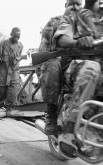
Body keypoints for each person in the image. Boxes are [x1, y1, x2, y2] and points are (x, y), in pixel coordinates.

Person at [53, 0, 103, 156]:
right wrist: (77, 41)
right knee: (93, 68)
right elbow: (62, 38)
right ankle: (69, 131)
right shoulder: (74, 15)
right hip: (77, 68)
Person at [38, 0, 82, 135]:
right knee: (53, 65)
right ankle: (51, 116)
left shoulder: (85, 25)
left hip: (73, 66)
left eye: (79, 4)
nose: (75, 7)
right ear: (65, 5)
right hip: (54, 64)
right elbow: (43, 51)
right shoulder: (54, 23)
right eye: (72, 4)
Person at [0, 27, 25, 116]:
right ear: (11, 34)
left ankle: (9, 109)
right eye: (15, 36)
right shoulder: (2, 44)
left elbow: (18, 58)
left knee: (13, 92)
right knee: (1, 94)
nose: (16, 38)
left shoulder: (20, 46)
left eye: (18, 37)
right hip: (3, 72)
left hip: (14, 72)